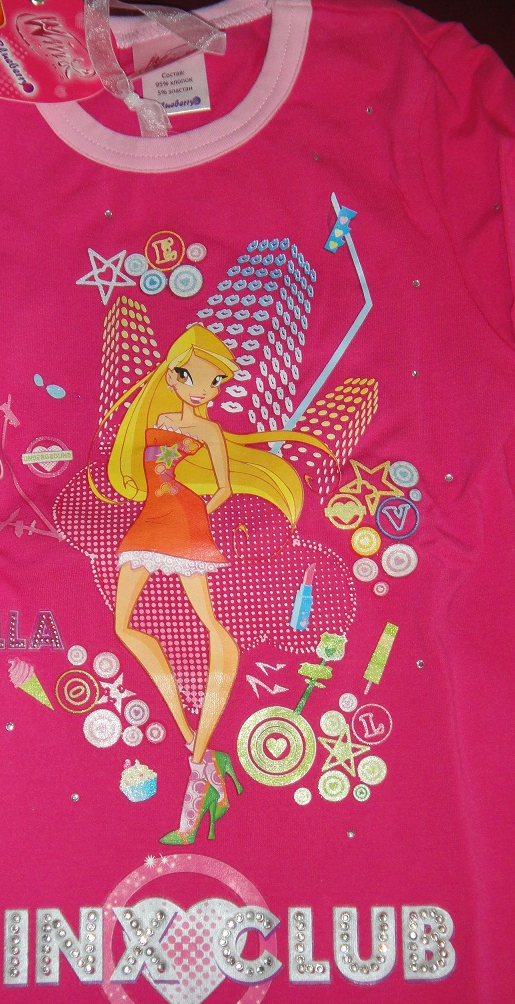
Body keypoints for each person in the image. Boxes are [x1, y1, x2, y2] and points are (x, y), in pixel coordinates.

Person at [101, 323, 329, 843]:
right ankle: (195, 745)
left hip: (181, 518)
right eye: (192, 378)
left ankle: (200, 756)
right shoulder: (157, 416)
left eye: (214, 383)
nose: (202, 391)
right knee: (122, 626)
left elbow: (224, 486)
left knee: (208, 621)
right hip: (151, 518)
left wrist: (198, 507)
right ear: (173, 375)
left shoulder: (206, 431)